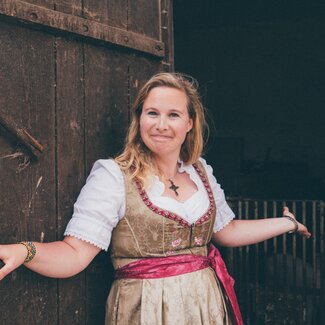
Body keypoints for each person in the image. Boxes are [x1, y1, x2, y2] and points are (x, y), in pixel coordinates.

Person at [0, 72, 311, 324]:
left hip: (206, 304)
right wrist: (25, 251)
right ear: (140, 120)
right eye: (152, 113)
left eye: (173, 114)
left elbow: (226, 232)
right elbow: (74, 254)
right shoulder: (112, 176)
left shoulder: (200, 171)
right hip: (145, 309)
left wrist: (287, 223)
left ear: (189, 124)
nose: (161, 124)